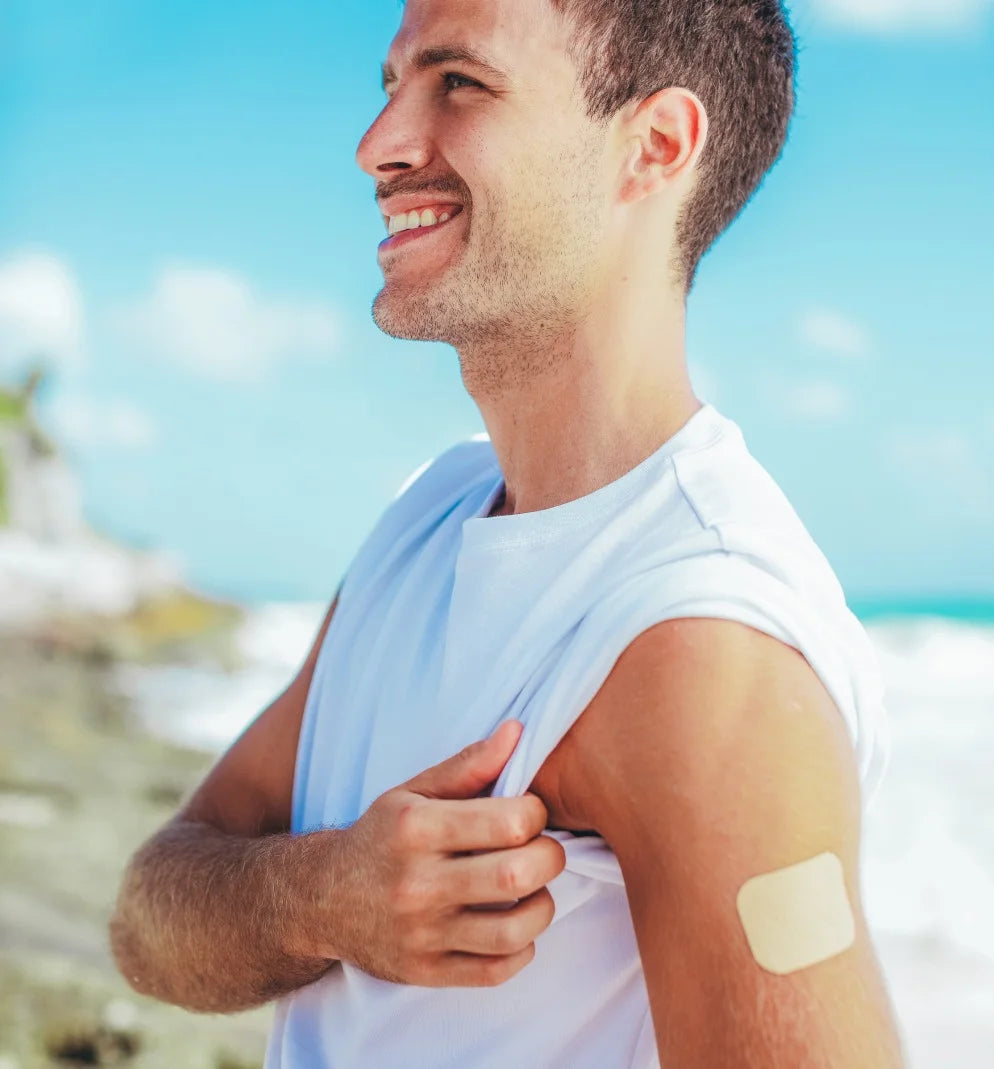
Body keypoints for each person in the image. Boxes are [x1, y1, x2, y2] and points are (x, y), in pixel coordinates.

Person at [109, 0, 909, 1065]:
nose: (378, 146)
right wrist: (322, 897)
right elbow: (149, 918)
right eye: (390, 86)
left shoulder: (705, 647)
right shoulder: (431, 516)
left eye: (460, 84)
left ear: (653, 146)